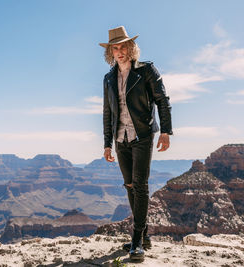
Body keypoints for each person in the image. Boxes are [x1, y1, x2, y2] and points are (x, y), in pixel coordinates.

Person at [99, 26, 173, 261]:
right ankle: (145, 235)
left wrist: (165, 131)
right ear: (110, 51)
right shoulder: (109, 78)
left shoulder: (147, 70)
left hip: (142, 135)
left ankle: (137, 240)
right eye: (115, 47)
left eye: (123, 46)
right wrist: (107, 143)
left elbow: (162, 101)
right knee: (129, 185)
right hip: (120, 138)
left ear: (131, 48)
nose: (119, 51)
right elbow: (107, 112)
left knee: (140, 185)